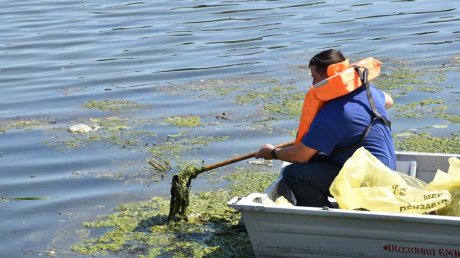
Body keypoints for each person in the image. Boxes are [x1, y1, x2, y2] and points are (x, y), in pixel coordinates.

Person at [255, 49, 396, 208]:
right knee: (315, 157)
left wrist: (272, 153)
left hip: (368, 183)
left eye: (315, 78)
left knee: (294, 173)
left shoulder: (333, 114)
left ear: (328, 79)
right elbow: (389, 101)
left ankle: (319, 215)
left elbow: (300, 156)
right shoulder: (370, 93)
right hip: (387, 173)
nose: (313, 85)